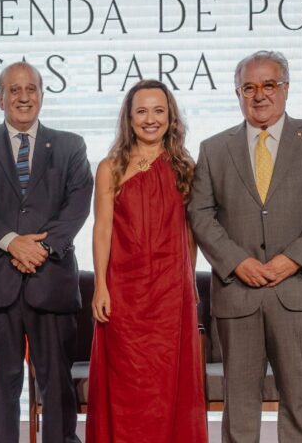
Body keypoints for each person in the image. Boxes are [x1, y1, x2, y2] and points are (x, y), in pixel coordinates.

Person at [188, 51, 302, 443]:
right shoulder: (213, 148)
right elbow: (200, 213)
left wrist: (292, 260)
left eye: (269, 85)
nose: (259, 95)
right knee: (239, 402)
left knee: (299, 399)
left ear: (286, 88)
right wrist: (236, 261)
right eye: (249, 87)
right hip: (238, 291)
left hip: (299, 291)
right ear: (238, 93)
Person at [0, 61, 93, 443]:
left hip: (52, 282)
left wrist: (42, 248)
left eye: (31, 88)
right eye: (14, 90)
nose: (23, 96)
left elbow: (77, 206)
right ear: (0, 98)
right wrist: (11, 241)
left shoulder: (70, 146)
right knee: (0, 388)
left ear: (42, 96)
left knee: (57, 386)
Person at [85, 79, 207, 443]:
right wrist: (100, 286)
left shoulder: (185, 166)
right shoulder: (111, 167)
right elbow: (102, 230)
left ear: (171, 118)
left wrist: (191, 284)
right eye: (142, 111)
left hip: (172, 292)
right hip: (124, 292)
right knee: (128, 387)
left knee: (170, 385)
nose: (150, 119)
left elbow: (192, 232)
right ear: (129, 117)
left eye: (158, 111)